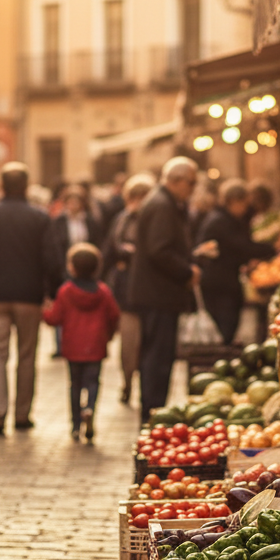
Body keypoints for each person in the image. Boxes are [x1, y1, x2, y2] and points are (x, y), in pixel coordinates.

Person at [0, 162, 60, 435]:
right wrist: (52, 292)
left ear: (2, 186)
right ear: (27, 186)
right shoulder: (40, 217)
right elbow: (52, 259)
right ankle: (21, 414)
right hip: (29, 295)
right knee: (27, 356)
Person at [130, 157, 200, 416]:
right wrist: (186, 271)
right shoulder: (162, 205)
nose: (193, 188)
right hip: (158, 295)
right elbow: (159, 250)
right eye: (191, 183)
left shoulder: (164, 203)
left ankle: (154, 410)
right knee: (157, 360)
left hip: (157, 294)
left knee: (157, 358)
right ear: (177, 180)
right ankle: (153, 412)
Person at [42, 243, 120, 443]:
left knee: (74, 384)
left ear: (72, 268)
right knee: (93, 382)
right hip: (96, 346)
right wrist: (108, 336)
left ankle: (76, 424)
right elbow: (114, 316)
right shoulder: (103, 292)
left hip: (72, 347)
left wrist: (45, 310)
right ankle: (90, 409)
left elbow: (54, 319)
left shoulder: (66, 291)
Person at [196, 179, 277, 345]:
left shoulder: (221, 218)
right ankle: (222, 358)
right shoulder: (221, 221)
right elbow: (241, 246)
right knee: (226, 325)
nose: (246, 209)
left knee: (227, 325)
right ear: (234, 201)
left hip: (221, 280)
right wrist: (271, 249)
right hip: (220, 283)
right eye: (244, 204)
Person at [100, 173, 155, 406]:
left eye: (143, 196)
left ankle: (143, 385)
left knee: (147, 343)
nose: (138, 201)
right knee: (130, 343)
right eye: (135, 196)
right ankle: (128, 382)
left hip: (149, 293)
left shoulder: (154, 220)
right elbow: (109, 252)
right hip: (126, 292)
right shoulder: (121, 220)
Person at [49, 185, 103, 358]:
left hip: (86, 266)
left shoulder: (89, 221)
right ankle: (61, 344)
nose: (73, 206)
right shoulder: (59, 222)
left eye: (76, 202)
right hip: (66, 267)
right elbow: (55, 245)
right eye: (70, 202)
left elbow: (97, 241)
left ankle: (85, 340)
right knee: (64, 303)